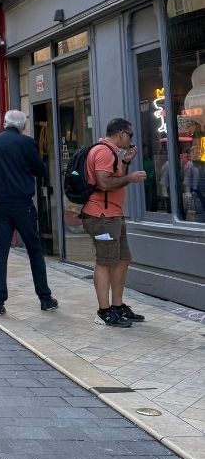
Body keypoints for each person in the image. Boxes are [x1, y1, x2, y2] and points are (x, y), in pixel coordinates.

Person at [0, 109, 58, 317]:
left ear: (4, 123)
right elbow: (41, 170)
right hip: (23, 204)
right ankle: (45, 298)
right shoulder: (27, 143)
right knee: (34, 251)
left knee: (0, 253)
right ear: (23, 126)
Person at [81, 117, 147, 328]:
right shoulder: (103, 152)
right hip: (102, 216)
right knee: (105, 261)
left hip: (113, 215)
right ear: (121, 134)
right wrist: (130, 177)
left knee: (122, 259)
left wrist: (126, 162)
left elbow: (114, 179)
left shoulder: (114, 154)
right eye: (130, 135)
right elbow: (104, 183)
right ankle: (104, 311)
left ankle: (117, 306)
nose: (131, 139)